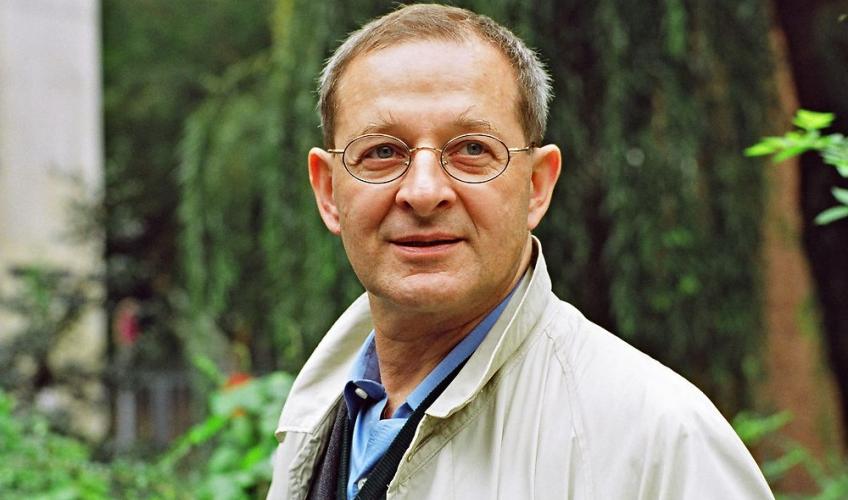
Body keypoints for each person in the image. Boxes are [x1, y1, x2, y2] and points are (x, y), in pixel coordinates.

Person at [267, 4, 774, 499]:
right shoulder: (313, 423)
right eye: (382, 152)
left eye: (472, 150)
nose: (423, 192)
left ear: (536, 186)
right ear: (328, 191)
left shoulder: (656, 442)